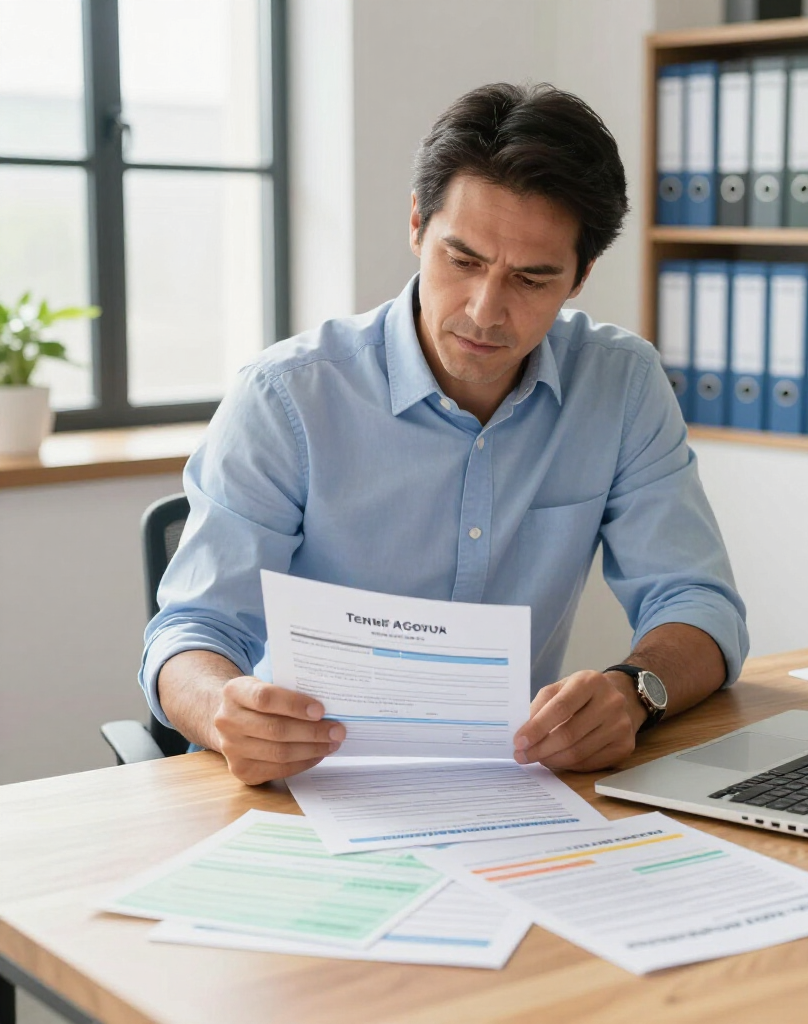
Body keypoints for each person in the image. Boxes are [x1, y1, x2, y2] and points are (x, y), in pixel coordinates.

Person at [141, 82, 748, 786]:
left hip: (509, 786)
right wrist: (224, 711)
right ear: (417, 226)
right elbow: (190, 633)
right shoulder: (287, 396)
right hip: (305, 787)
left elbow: (699, 604)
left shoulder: (620, 385)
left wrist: (637, 690)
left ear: (580, 276)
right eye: (462, 261)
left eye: (531, 278)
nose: (486, 312)